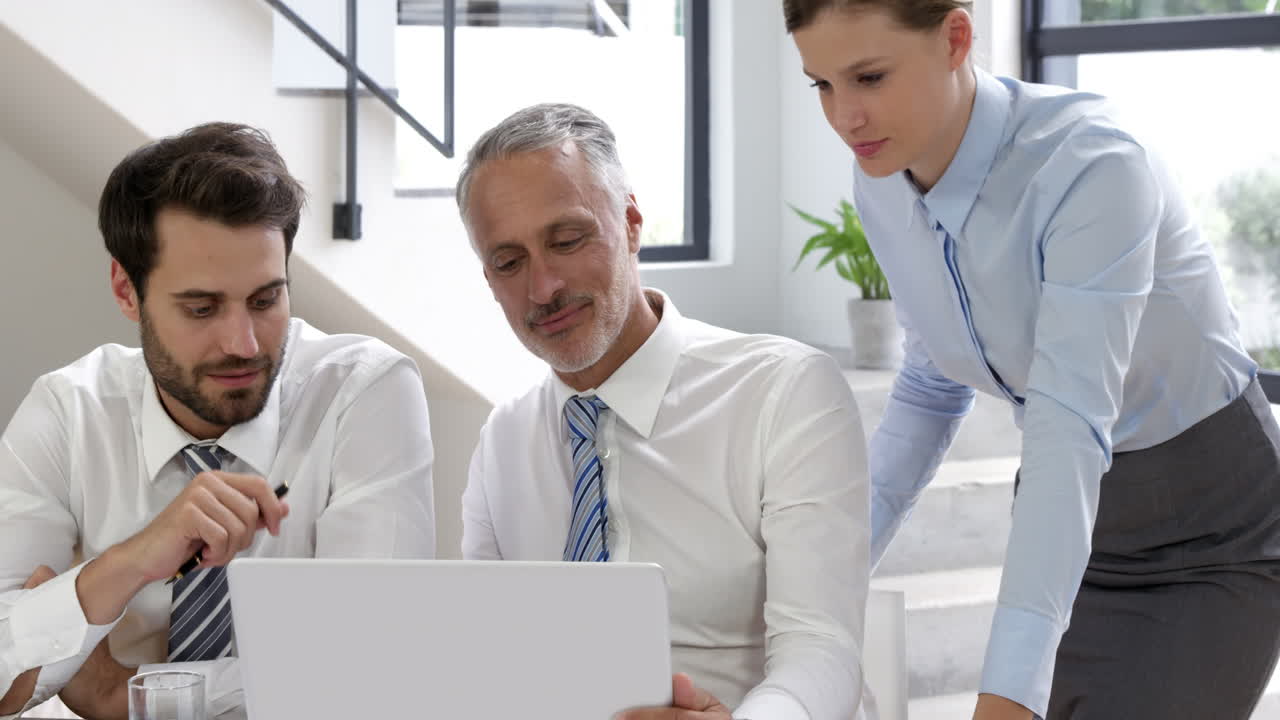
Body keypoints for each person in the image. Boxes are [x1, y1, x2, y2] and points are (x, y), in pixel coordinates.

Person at [785, 1, 1280, 719]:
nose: (845, 117)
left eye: (869, 77)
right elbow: (930, 385)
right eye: (822, 85)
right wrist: (827, 576)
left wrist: (1007, 693)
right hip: (1079, 525)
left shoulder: (1092, 164)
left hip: (1211, 526)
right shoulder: (882, 180)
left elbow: (1068, 422)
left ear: (956, 38)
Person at [0, 122, 437, 720]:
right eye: (201, 308)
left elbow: (373, 673)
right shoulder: (67, 412)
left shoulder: (363, 391)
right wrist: (132, 562)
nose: (244, 343)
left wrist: (121, 694)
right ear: (126, 291)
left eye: (266, 300)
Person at [456, 103, 875, 720]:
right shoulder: (504, 439)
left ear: (629, 224)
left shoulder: (783, 393)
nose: (542, 288)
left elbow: (823, 650)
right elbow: (486, 657)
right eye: (509, 262)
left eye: (567, 240)